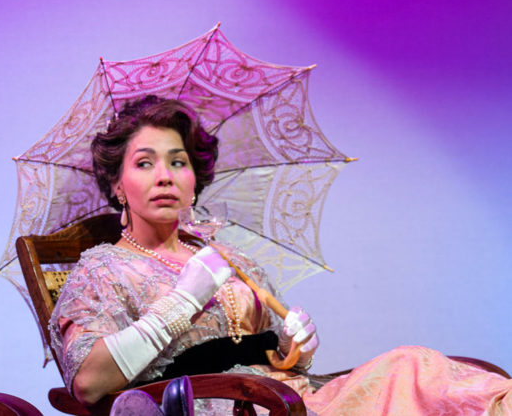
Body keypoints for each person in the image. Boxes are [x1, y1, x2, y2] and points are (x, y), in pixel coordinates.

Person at [50, 95, 512, 415]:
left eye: (179, 161)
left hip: (286, 396)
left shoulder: (226, 258)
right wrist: (181, 304)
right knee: (412, 370)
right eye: (145, 162)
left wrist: (295, 349)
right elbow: (89, 382)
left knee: (421, 369)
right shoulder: (102, 268)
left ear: (195, 179)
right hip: (232, 407)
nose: (166, 176)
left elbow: (273, 347)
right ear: (117, 185)